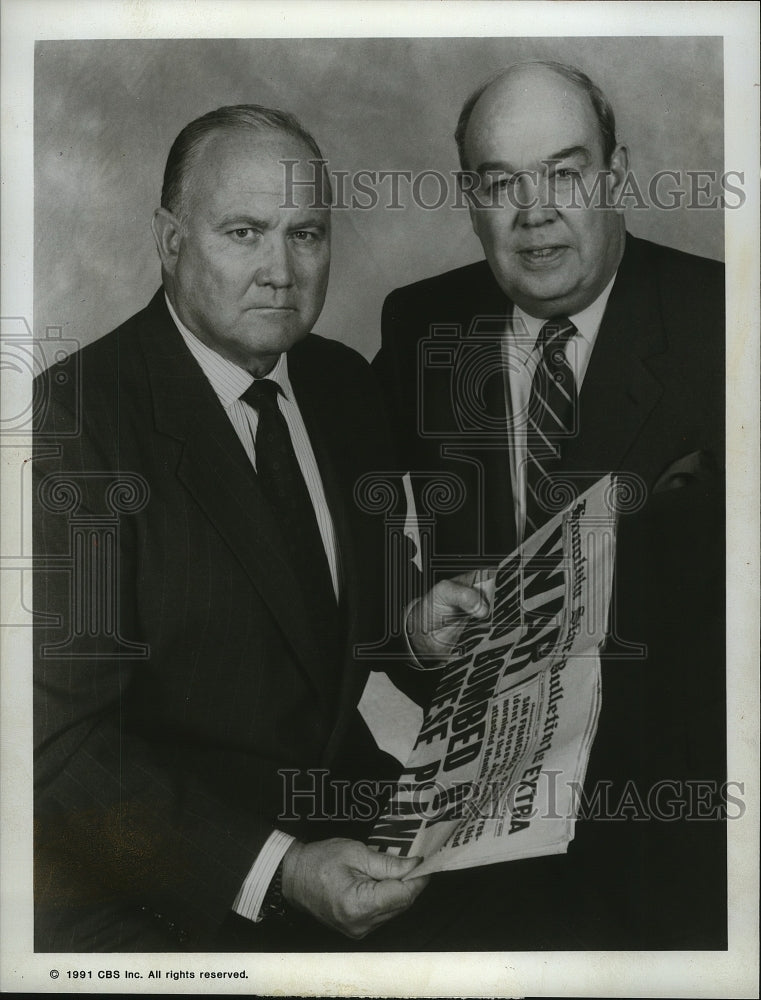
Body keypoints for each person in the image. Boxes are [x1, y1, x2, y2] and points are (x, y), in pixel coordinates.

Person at [32, 104, 485, 953]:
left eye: (305, 235)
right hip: (161, 875)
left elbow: (325, 620)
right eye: (243, 233)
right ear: (170, 240)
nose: (280, 271)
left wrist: (415, 629)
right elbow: (56, 752)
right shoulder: (72, 425)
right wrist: (280, 868)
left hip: (342, 812)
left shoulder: (341, 384)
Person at [372, 61, 726, 948]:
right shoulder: (422, 324)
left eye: (564, 174)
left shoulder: (728, 321)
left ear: (616, 175)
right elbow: (339, 526)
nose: (533, 213)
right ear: (469, 199)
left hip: (685, 825)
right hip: (477, 826)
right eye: (500, 184)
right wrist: (407, 624)